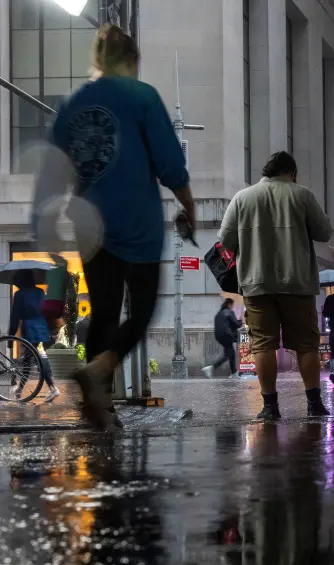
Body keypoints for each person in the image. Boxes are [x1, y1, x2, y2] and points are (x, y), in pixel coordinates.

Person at [32, 24, 196, 430]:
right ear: (131, 59)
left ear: (98, 59)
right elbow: (170, 163)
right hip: (137, 221)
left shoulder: (75, 102)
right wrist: (189, 206)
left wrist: (43, 221)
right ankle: (103, 367)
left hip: (90, 223)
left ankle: (99, 407)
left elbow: (52, 168)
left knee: (102, 313)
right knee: (140, 311)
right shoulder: (142, 96)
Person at [218, 151, 332, 420]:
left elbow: (226, 240)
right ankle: (314, 403)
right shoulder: (302, 195)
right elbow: (324, 232)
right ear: (291, 172)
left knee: (263, 346)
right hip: (298, 283)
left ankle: (270, 407)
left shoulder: (243, 198)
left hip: (257, 284)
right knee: (306, 345)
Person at [8, 271, 60, 402]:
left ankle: (52, 388)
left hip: (30, 328)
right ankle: (21, 390)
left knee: (32, 358)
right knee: (35, 357)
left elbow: (15, 317)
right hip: (42, 327)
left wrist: (11, 336)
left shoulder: (20, 294)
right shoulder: (40, 292)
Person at [203, 298, 242, 379]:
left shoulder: (219, 313)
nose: (232, 307)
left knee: (229, 354)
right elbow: (236, 324)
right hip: (227, 335)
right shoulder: (229, 312)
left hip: (220, 336)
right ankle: (213, 368)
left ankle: (233, 373)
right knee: (230, 354)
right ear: (229, 304)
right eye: (232, 305)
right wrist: (241, 321)